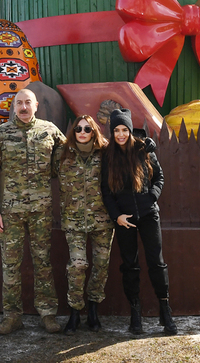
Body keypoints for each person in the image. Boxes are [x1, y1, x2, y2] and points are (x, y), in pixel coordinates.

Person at [0, 88, 67, 335]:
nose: (23, 107)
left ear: (36, 105)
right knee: (10, 265)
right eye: (19, 102)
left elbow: (67, 158)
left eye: (27, 102)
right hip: (10, 213)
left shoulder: (49, 130)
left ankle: (48, 314)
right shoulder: (0, 134)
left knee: (43, 262)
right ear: (14, 106)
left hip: (41, 210)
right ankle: (12, 316)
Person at [100, 108, 178, 336]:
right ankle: (136, 313)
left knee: (157, 262)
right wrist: (117, 217)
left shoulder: (144, 150)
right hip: (125, 220)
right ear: (112, 132)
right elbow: (106, 191)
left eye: (124, 129)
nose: (121, 134)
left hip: (149, 216)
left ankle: (165, 310)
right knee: (130, 265)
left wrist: (151, 198)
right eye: (117, 130)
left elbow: (159, 177)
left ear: (130, 130)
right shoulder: (108, 157)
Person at [57, 114, 114, 334]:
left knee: (101, 265)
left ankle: (93, 310)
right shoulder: (63, 154)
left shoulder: (105, 154)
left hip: (102, 220)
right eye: (78, 128)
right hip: (74, 221)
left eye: (87, 129)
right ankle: (74, 311)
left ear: (94, 132)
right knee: (78, 265)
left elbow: (126, 155)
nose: (82, 132)